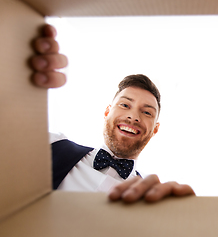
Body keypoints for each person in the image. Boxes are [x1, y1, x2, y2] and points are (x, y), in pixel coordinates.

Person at [30, 24, 195, 203]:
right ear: (107, 111)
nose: (133, 117)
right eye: (125, 105)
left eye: (147, 112)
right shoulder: (50, 146)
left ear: (155, 129)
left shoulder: (151, 200)